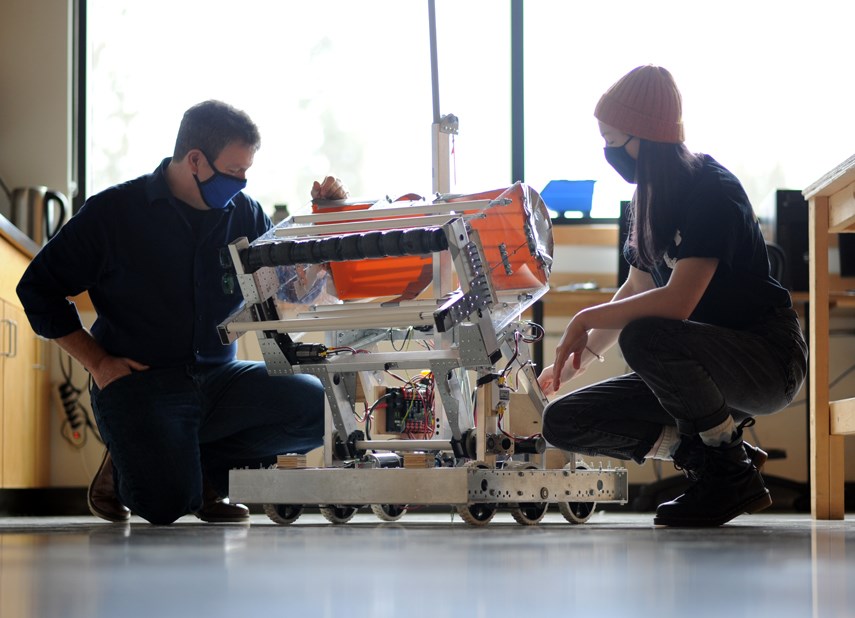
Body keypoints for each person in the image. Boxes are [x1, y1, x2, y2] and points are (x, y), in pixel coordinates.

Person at [17, 100, 348, 525]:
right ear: (195, 160)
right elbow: (37, 289)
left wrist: (326, 221)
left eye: (247, 171)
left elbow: (290, 288)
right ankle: (132, 465)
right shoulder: (115, 212)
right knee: (167, 505)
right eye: (233, 171)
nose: (242, 181)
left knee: (318, 409)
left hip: (219, 380)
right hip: (141, 381)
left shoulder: (244, 213)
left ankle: (198, 474)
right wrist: (97, 362)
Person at [538, 65, 808, 527]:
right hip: (698, 369)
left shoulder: (712, 191)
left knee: (646, 337)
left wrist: (583, 318)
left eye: (613, 140)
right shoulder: (649, 201)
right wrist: (575, 360)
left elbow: (677, 302)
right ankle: (728, 458)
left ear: (648, 137)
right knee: (564, 422)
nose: (608, 152)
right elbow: (638, 286)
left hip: (767, 362)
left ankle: (727, 475)